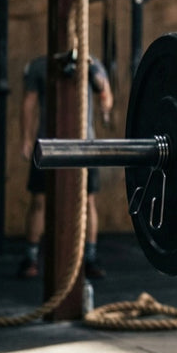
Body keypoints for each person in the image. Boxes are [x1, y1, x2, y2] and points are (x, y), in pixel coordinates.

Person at [16, 54, 113, 280]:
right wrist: (26, 139)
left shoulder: (92, 65)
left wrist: (98, 83)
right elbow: (28, 103)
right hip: (48, 144)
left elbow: (106, 99)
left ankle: (90, 257)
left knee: (87, 201)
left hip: (84, 145)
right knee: (39, 200)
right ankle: (31, 257)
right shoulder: (41, 66)